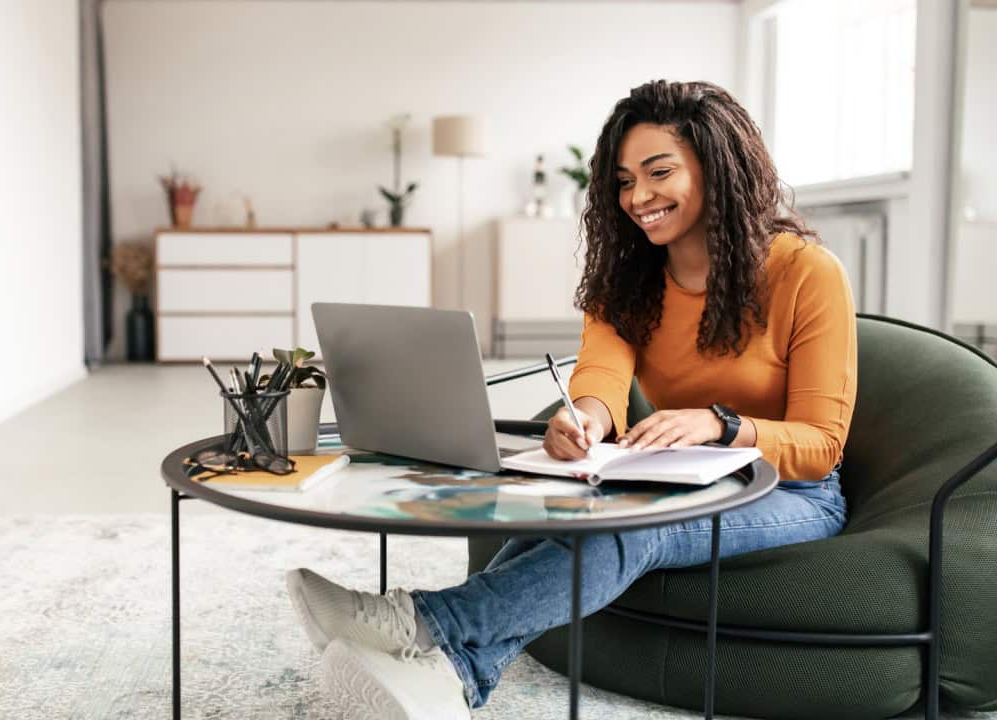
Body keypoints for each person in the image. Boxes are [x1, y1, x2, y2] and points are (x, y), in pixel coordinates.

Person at [285, 79, 856, 718]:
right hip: (676, 474)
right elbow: (603, 377)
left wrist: (721, 426)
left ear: (717, 165)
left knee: (634, 532)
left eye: (659, 172)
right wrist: (583, 420)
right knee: (565, 512)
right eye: (622, 181)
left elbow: (821, 443)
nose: (639, 197)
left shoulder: (807, 272)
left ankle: (417, 621)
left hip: (788, 491)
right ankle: (456, 676)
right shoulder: (631, 273)